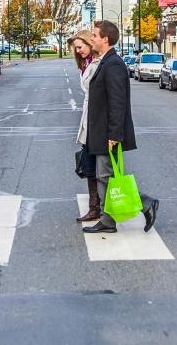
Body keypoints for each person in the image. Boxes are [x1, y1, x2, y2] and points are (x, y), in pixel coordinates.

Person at [83, 20, 159, 234]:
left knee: (105, 176)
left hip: (108, 132)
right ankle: (111, 219)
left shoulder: (114, 64)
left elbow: (118, 102)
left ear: (105, 39)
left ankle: (143, 204)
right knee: (106, 176)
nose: (92, 39)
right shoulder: (107, 61)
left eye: (95, 36)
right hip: (102, 131)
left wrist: (114, 134)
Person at [68, 30, 101, 222]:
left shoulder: (97, 64)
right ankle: (95, 207)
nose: (78, 51)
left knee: (99, 169)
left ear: (90, 43)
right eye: (76, 48)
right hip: (89, 121)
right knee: (91, 167)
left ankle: (143, 203)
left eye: (80, 47)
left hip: (95, 123)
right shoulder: (87, 63)